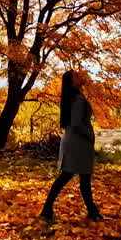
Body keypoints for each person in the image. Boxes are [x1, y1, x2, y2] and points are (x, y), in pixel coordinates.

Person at [39, 69, 104, 222]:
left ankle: (91, 211)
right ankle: (48, 209)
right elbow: (76, 124)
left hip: (75, 141)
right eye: (76, 75)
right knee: (73, 176)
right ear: (71, 82)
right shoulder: (77, 99)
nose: (79, 76)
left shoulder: (75, 97)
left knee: (80, 177)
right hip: (78, 143)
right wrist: (90, 135)